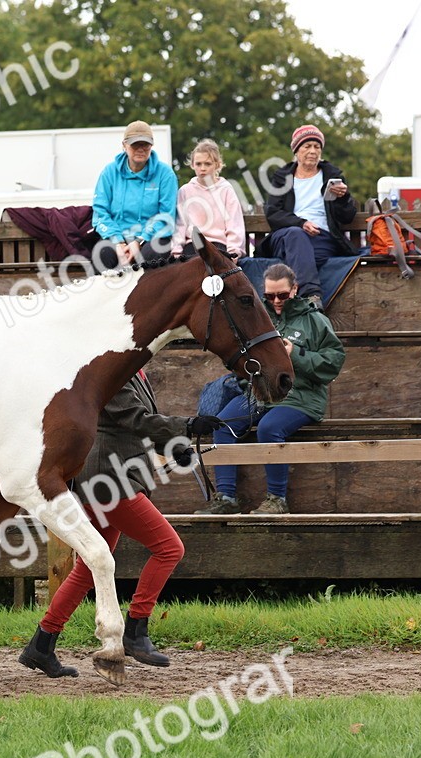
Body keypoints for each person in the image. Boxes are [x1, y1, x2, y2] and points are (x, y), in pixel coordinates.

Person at [18, 372, 223, 676]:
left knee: (88, 567)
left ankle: (42, 644)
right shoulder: (112, 372)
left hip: (107, 479)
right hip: (109, 482)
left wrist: (176, 447)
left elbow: (141, 425)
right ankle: (136, 631)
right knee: (168, 548)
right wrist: (188, 426)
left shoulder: (135, 370)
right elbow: (136, 419)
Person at [197, 263, 345, 515]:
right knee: (222, 424)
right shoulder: (257, 317)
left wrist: (295, 354)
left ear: (295, 289)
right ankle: (226, 497)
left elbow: (333, 362)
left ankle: (277, 499)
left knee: (270, 428)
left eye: (282, 295)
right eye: (268, 296)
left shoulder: (315, 321)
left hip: (301, 396)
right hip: (260, 394)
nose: (276, 301)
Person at [257, 124, 358, 307]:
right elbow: (273, 213)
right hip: (286, 236)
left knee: (305, 258)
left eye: (317, 147)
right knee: (296, 235)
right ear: (296, 150)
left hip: (322, 238)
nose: (312, 151)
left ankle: (290, 306)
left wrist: (344, 197)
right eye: (307, 146)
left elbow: (347, 217)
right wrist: (301, 223)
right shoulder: (282, 177)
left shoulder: (332, 176)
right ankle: (312, 297)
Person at [88, 120, 178, 270]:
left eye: (146, 144)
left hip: (152, 237)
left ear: (152, 146)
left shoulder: (166, 174)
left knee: (151, 256)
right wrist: (117, 242)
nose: (141, 149)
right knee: (102, 255)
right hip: (117, 235)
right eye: (135, 144)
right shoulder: (109, 173)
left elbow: (167, 216)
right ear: (124, 145)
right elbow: (100, 213)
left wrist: (139, 241)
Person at [170, 139, 247, 260]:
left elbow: (234, 225)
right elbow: (180, 225)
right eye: (198, 164)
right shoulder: (185, 191)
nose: (202, 168)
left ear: (217, 165)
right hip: (192, 245)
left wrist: (233, 252)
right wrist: (176, 252)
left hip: (219, 245)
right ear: (192, 165)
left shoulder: (226, 190)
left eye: (207, 164)